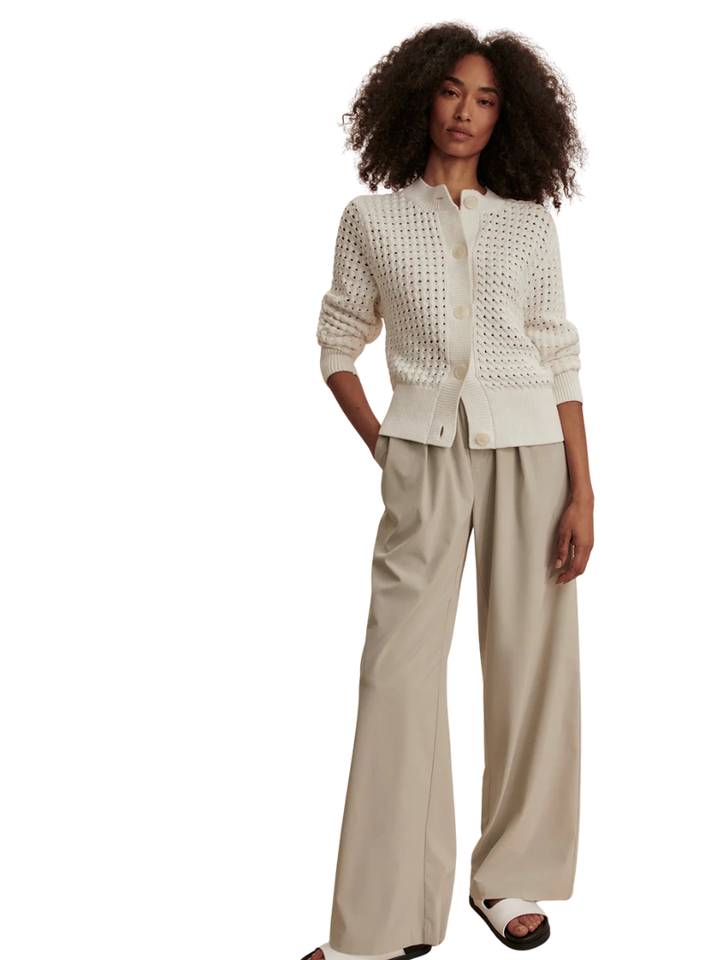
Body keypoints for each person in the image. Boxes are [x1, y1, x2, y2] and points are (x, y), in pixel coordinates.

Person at [303, 22, 594, 960]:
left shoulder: (529, 225)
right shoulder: (373, 220)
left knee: (530, 666)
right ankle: (380, 922)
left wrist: (583, 491)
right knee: (396, 675)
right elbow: (337, 346)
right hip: (423, 454)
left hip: (532, 451)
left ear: (509, 117)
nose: (466, 113)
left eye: (487, 99)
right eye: (451, 92)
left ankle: (509, 877)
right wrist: (385, 443)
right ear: (419, 96)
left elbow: (557, 352)